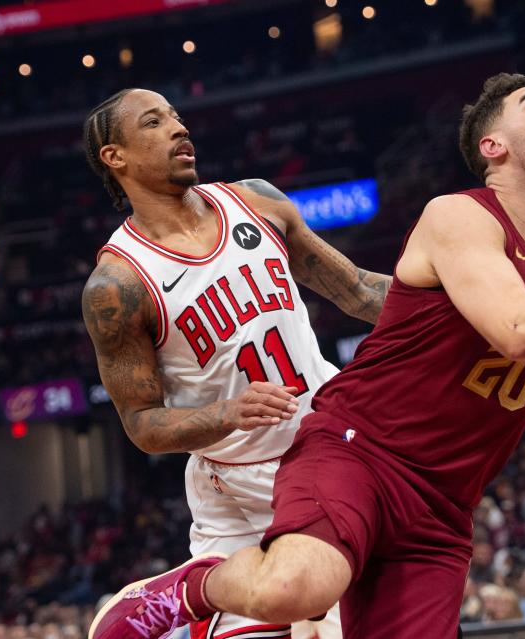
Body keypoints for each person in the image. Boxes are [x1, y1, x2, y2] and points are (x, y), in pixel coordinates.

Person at [89, 73, 525, 639]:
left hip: (440, 503)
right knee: (299, 587)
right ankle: (177, 590)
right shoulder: (457, 214)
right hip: (354, 449)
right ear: (493, 145)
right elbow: (518, 327)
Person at [81, 88, 391, 639]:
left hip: (323, 450)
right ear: (115, 156)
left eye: (177, 117)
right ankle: (189, 587)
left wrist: (474, 308)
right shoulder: (119, 284)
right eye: (154, 122)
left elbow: (360, 291)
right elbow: (142, 424)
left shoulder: (257, 202)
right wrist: (229, 411)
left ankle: (189, 592)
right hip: (230, 481)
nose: (179, 129)